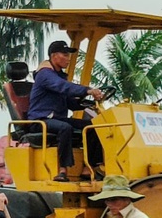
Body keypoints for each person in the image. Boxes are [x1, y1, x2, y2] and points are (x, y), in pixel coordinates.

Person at [27, 40, 106, 182]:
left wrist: (86, 104)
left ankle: (90, 168)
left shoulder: (58, 76)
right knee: (65, 128)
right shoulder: (45, 74)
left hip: (56, 119)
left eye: (69, 55)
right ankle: (63, 170)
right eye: (65, 54)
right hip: (40, 121)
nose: (68, 59)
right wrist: (87, 90)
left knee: (93, 126)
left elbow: (69, 101)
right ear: (53, 56)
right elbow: (63, 86)